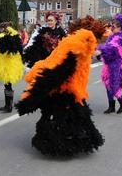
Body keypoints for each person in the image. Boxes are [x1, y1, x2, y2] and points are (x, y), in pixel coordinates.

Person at [15, 16, 105, 156]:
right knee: (74, 115)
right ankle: (75, 142)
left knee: (62, 115)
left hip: (65, 87)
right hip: (69, 87)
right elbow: (57, 66)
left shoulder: (76, 43)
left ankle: (61, 145)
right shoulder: (80, 45)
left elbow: (60, 70)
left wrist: (32, 98)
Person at [98, 14, 122, 114]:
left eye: (113, 26)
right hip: (110, 63)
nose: (111, 27)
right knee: (107, 84)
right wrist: (102, 54)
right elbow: (108, 46)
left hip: (119, 65)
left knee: (114, 85)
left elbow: (113, 49)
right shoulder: (113, 36)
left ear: (119, 27)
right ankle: (111, 106)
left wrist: (100, 50)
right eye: (111, 25)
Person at [0, 22, 24, 113]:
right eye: (0, 28)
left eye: (2, 28)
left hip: (10, 65)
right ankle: (7, 104)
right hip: (5, 64)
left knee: (8, 85)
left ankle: (8, 106)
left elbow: (12, 49)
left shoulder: (12, 37)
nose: (1, 30)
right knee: (7, 85)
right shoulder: (4, 37)